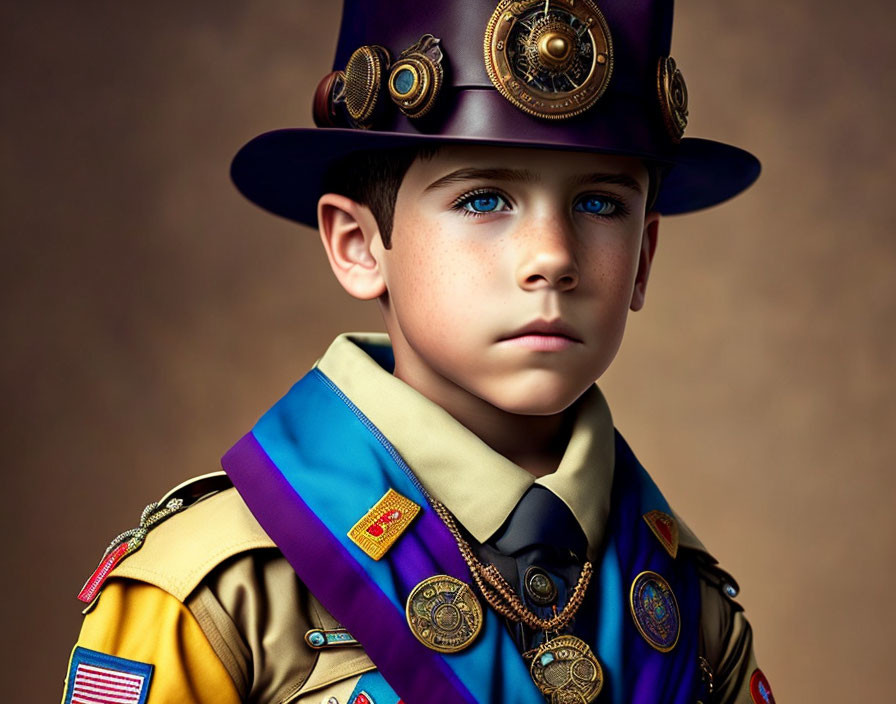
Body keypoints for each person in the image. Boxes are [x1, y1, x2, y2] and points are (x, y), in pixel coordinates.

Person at [61, 1, 776, 703]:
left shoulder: (691, 608)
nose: (554, 259)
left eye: (599, 205)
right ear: (360, 246)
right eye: (483, 200)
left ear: (644, 259)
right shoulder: (219, 594)